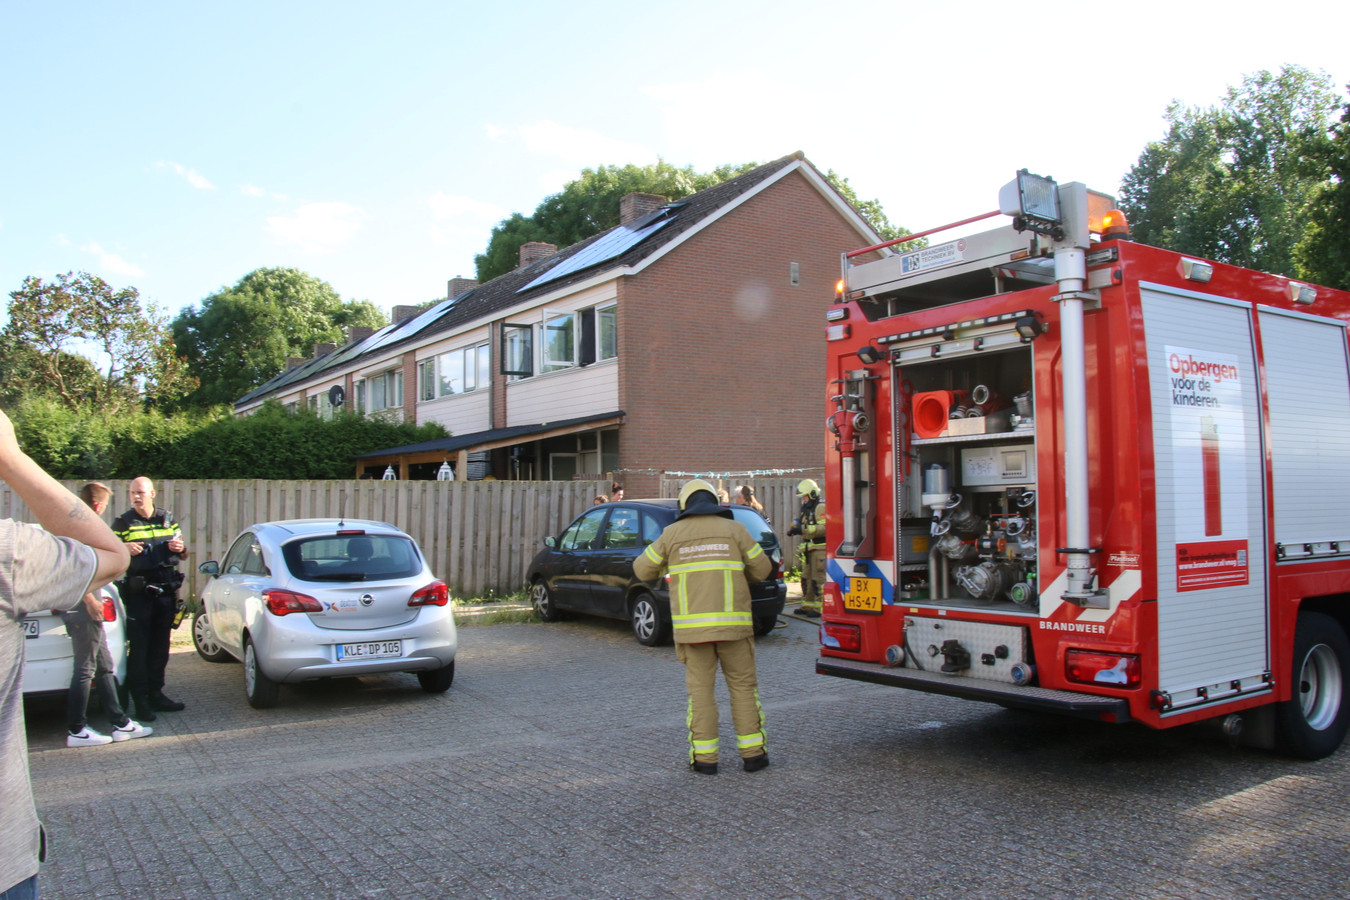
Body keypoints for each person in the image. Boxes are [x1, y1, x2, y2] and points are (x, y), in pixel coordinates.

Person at [1, 408, 129, 900]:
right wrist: (10, 457)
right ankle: (81, 727)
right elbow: (108, 556)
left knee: (97, 667)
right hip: (3, 862)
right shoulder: (11, 552)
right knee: (87, 669)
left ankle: (104, 721)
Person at [633, 479, 773, 775]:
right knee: (744, 690)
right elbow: (762, 570)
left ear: (685, 505)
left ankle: (705, 760)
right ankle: (753, 756)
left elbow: (642, 569)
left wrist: (669, 563)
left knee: (701, 695)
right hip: (734, 630)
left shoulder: (672, 534)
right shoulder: (735, 530)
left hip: (693, 634)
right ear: (714, 502)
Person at [63, 483, 151, 747]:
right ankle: (76, 730)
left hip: (90, 606)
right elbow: (71, 573)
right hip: (82, 607)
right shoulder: (80, 532)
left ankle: (120, 723)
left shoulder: (80, 528)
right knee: (85, 669)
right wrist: (90, 600)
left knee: (105, 667)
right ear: (99, 505)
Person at [112, 477, 188, 722]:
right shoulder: (123, 523)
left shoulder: (168, 519)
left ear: (152, 494)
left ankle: (157, 694)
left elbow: (185, 553)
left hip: (165, 593)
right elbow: (109, 553)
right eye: (133, 492)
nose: (136, 497)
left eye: (141, 492)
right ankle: (140, 700)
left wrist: (180, 548)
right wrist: (123, 548)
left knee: (160, 647)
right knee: (140, 649)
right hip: (140, 596)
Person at [787, 478, 825, 617]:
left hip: (820, 550)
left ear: (813, 494)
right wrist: (794, 529)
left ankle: (820, 608)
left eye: (804, 496)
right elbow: (802, 526)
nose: (803, 499)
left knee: (818, 579)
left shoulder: (820, 507)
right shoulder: (807, 509)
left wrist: (802, 529)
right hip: (810, 550)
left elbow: (824, 528)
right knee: (806, 579)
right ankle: (807, 606)